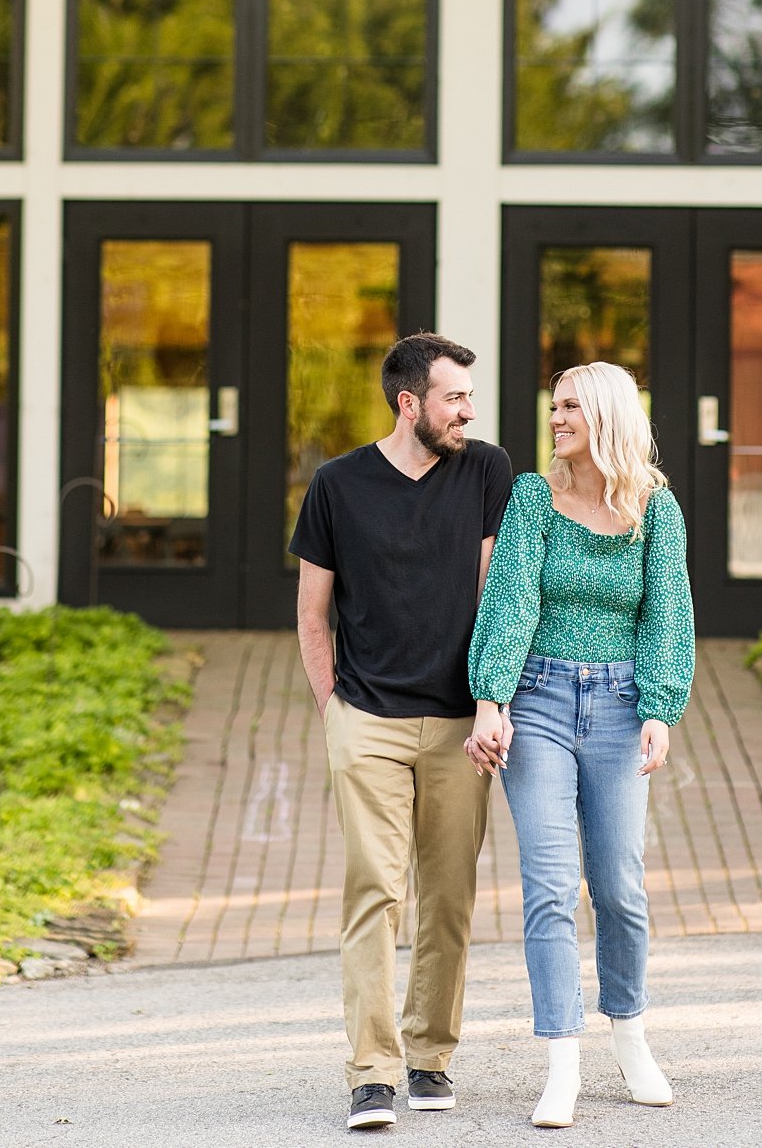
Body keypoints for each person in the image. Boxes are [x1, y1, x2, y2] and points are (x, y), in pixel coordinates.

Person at [292, 333, 516, 1132]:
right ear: (409, 402)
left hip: (463, 724)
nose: (469, 411)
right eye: (456, 396)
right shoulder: (337, 486)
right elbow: (312, 615)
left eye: (469, 397)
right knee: (376, 893)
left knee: (449, 899)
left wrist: (495, 700)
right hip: (368, 723)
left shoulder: (488, 470)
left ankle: (428, 1056)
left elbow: (501, 598)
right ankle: (372, 1072)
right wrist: (334, 713)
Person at [466, 360, 695, 1130]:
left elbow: (667, 614)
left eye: (568, 405)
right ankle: (561, 1059)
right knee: (551, 887)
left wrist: (660, 707)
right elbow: (510, 601)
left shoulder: (655, 512)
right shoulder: (533, 498)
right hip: (538, 700)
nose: (555, 416)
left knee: (621, 886)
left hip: (622, 705)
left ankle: (629, 1035)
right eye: (553, 404)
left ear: (604, 415)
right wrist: (491, 699)